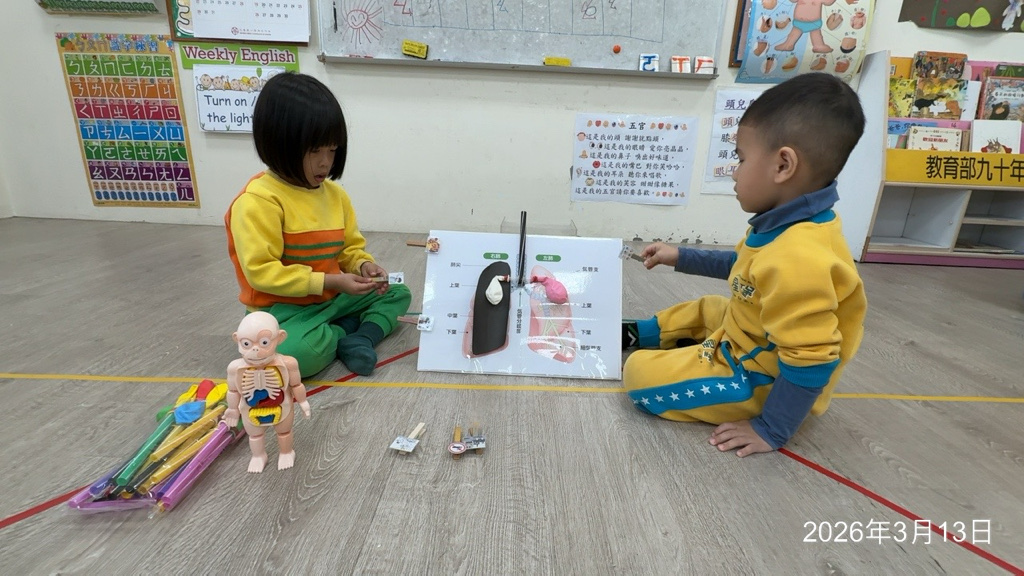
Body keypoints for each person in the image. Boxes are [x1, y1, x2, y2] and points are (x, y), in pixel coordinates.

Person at [621, 73, 867, 457]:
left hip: (760, 376)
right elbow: (744, 268)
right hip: (750, 335)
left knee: (638, 375)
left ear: (783, 165)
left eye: (740, 158)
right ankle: (637, 334)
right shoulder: (789, 224)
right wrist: (680, 256)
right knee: (709, 307)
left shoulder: (799, 258)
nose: (734, 171)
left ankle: (662, 353)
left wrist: (771, 429)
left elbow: (813, 360)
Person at [225, 72, 411, 378]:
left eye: (332, 150)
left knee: (397, 292)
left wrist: (364, 265)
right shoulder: (259, 201)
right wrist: (331, 282)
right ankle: (345, 331)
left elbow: (348, 249)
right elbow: (261, 273)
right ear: (278, 143)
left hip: (331, 298)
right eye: (315, 151)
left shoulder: (335, 195)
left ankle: (358, 337)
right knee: (294, 356)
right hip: (281, 310)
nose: (326, 162)